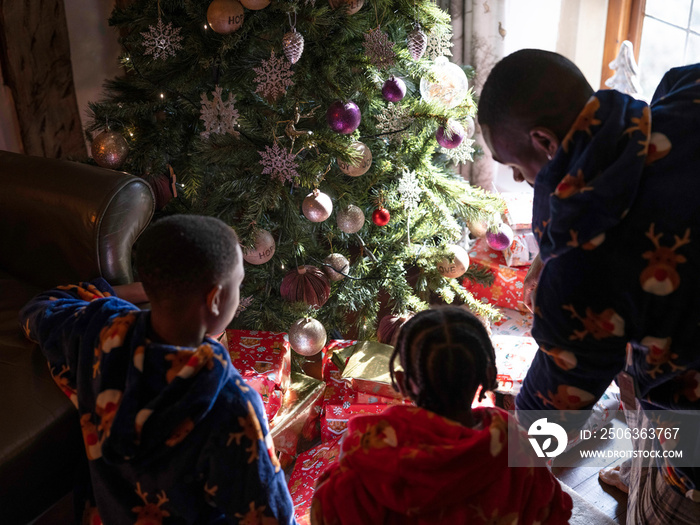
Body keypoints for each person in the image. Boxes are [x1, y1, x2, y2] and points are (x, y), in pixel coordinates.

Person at [478, 49, 700, 523]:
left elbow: (552, 421)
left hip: (694, 424)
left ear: (544, 142)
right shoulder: (685, 90)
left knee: (665, 492)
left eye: (517, 169)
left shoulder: (579, 272)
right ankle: (642, 460)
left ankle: (655, 478)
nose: (520, 180)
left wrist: (505, 457)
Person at [20, 214, 297, 525]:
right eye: (238, 283)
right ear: (216, 299)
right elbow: (270, 517)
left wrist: (148, 291)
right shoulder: (231, 403)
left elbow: (41, 308)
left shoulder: (99, 328)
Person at [309, 306, 573, 524]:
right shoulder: (514, 444)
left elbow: (327, 511)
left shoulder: (371, 451)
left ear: (400, 382)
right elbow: (553, 510)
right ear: (490, 378)